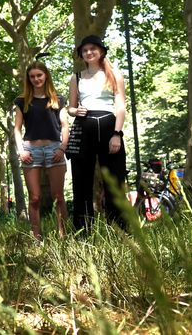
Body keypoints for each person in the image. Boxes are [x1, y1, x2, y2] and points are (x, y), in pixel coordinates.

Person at [68, 35, 128, 232]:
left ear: (101, 51)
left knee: (115, 180)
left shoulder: (114, 74)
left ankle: (119, 229)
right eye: (84, 50)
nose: (89, 52)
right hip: (83, 127)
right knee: (81, 181)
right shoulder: (76, 77)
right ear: (81, 55)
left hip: (109, 126)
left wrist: (117, 134)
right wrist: (75, 111)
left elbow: (121, 106)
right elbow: (70, 107)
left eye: (92, 49)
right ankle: (83, 230)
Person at [13, 61, 69, 240]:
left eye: (39, 75)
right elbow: (17, 128)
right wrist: (21, 151)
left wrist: (62, 148)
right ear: (28, 79)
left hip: (54, 149)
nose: (36, 79)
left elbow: (65, 126)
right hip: (31, 151)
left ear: (46, 76)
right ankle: (36, 237)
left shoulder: (58, 99)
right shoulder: (22, 101)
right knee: (34, 198)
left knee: (58, 196)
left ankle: (63, 236)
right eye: (32, 76)